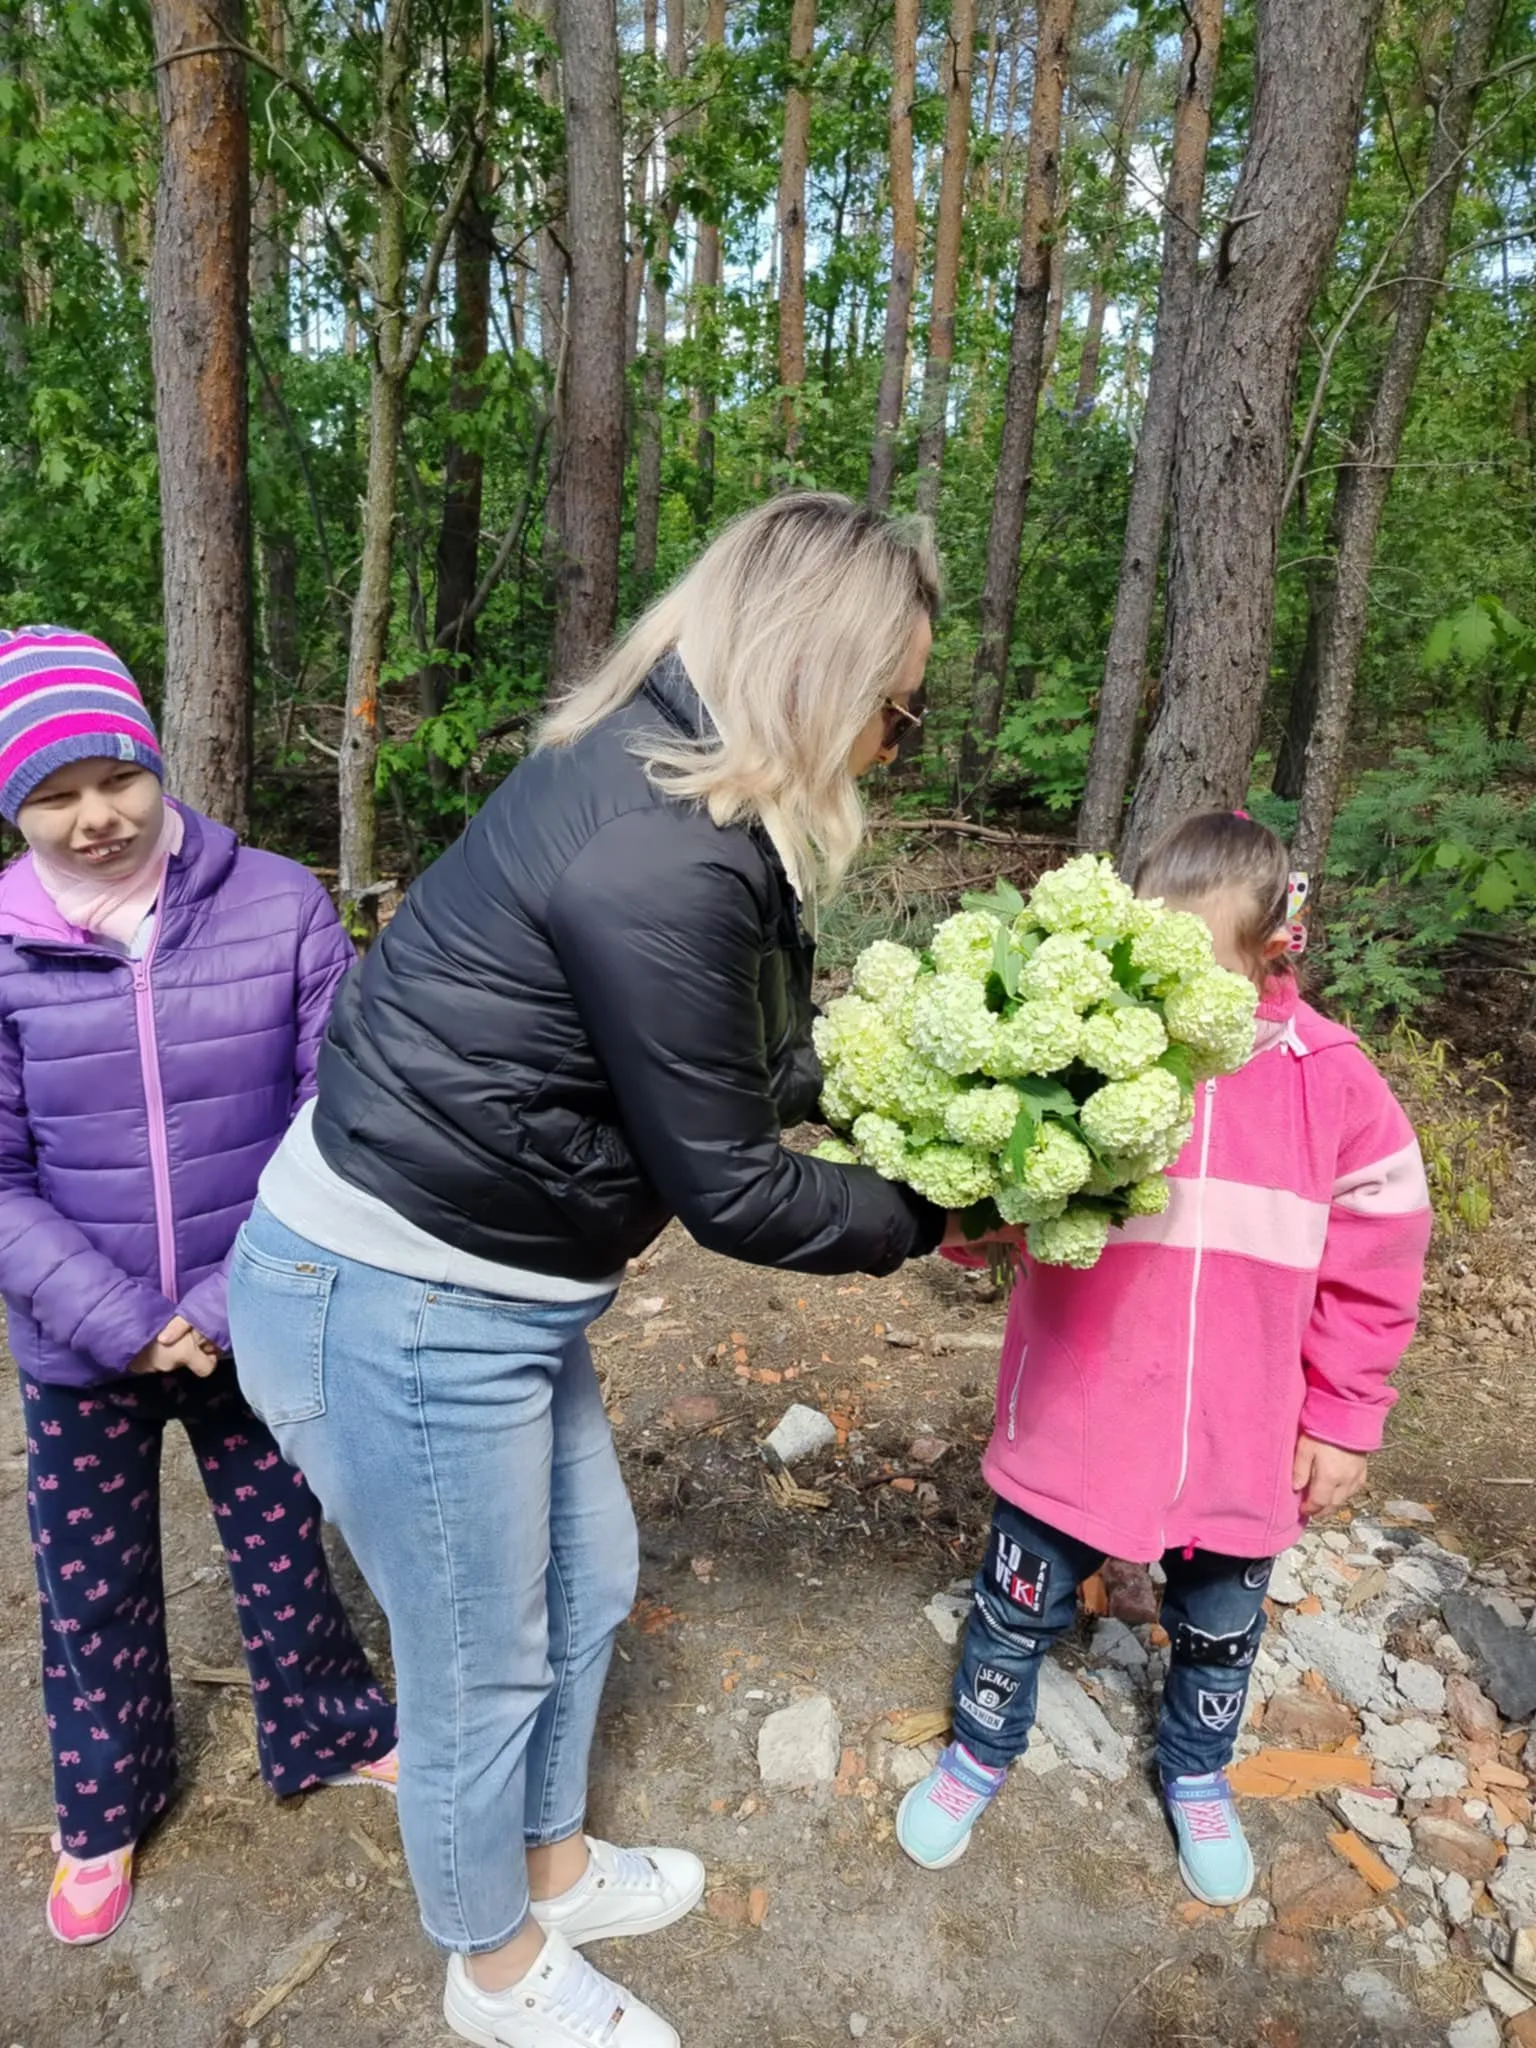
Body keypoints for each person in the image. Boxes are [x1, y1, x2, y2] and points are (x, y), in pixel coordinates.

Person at [227, 493, 968, 2048]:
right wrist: (945, 1217)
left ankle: (551, 1868)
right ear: (819, 673)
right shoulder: (662, 850)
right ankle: (490, 1969)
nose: (900, 742)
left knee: (593, 1580)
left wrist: (914, 1092)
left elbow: (723, 1062)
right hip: (400, 1300)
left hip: (490, 1282)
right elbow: (738, 1193)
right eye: (899, 709)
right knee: (477, 1670)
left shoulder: (678, 787)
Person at [896, 810, 1431, 1907]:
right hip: (1076, 1413)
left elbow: (1381, 1256)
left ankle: (1195, 1769)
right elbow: (997, 1201)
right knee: (1016, 1599)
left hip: (1243, 1435)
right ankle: (981, 1747)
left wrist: (1340, 1415)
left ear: (1273, 949)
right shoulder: (1095, 1048)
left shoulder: (1329, 1078)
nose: (1161, 984)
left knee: (1223, 1626)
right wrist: (961, 1195)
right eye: (1149, 954)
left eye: (1197, 963)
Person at [0, 627, 397, 1947]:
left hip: (259, 1310)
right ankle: (104, 1805)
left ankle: (329, 1723)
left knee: (285, 1533)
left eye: (114, 775)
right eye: (52, 795)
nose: (94, 816)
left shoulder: (279, 905)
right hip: (79, 1342)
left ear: (155, 759)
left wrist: (225, 1305)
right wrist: (123, 1323)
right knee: (91, 1583)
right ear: (14, 807)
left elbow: (334, 1118)